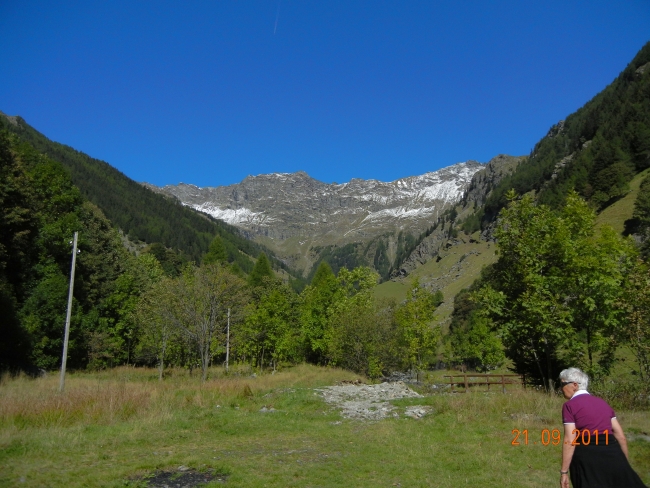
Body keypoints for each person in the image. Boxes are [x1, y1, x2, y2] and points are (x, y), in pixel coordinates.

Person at [559, 367, 647, 488]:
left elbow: (570, 440)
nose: (561, 388)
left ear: (574, 385)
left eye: (562, 384)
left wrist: (564, 472)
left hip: (587, 458)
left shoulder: (570, 406)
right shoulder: (603, 403)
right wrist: (623, 464)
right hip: (613, 453)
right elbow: (621, 436)